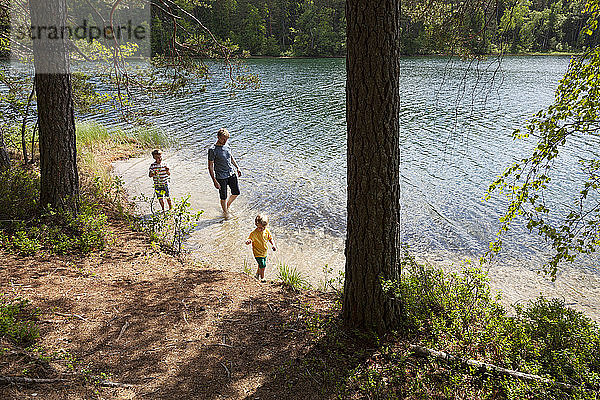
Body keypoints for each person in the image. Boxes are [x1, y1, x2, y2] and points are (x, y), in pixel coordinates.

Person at [208, 128, 242, 216]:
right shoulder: (212, 150)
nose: (225, 141)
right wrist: (214, 180)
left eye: (226, 139)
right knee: (223, 196)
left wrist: (237, 167)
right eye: (223, 139)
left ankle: (227, 206)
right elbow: (210, 166)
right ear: (218, 137)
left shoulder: (227, 145)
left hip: (231, 173)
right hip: (221, 176)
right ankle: (225, 213)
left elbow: (230, 157)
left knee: (236, 192)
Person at [246, 214, 276, 282]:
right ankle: (262, 278)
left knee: (261, 264)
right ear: (256, 225)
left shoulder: (266, 231)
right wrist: (249, 241)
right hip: (257, 252)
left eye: (263, 228)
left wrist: (273, 245)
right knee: (263, 265)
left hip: (264, 251)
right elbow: (250, 239)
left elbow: (270, 238)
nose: (261, 229)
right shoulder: (254, 233)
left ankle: (257, 274)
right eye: (259, 227)